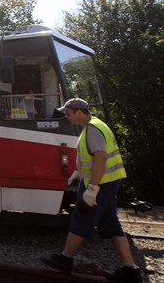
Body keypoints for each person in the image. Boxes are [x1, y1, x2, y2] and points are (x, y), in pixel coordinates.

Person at [40, 98, 142, 283]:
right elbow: (94, 157)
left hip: (100, 184)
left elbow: (100, 159)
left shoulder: (93, 130)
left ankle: (66, 260)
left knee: (81, 218)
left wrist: (92, 189)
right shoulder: (97, 125)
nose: (67, 117)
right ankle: (131, 270)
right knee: (112, 226)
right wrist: (78, 173)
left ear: (79, 112)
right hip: (108, 182)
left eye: (69, 113)